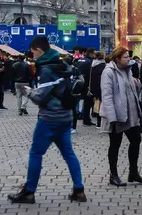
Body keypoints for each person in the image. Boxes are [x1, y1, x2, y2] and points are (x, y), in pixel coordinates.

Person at [8, 37, 86, 204]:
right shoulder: (64, 64)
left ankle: (29, 192)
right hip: (66, 117)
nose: (32, 55)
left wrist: (28, 91)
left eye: (32, 51)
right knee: (69, 154)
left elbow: (41, 97)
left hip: (49, 119)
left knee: (36, 154)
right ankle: (79, 190)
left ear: (39, 49)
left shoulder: (45, 69)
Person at [99, 47, 142, 187]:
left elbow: (131, 91)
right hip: (116, 115)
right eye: (125, 57)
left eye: (128, 56)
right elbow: (107, 96)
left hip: (130, 114)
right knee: (115, 144)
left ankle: (133, 172)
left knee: (136, 140)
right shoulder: (109, 72)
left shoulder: (128, 70)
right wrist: (112, 117)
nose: (129, 59)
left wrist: (136, 83)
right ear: (117, 59)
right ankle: (113, 175)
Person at [77, 48, 95, 126]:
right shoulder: (90, 62)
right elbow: (91, 75)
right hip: (87, 84)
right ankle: (86, 119)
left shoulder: (80, 60)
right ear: (91, 53)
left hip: (79, 83)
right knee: (88, 103)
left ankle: (80, 115)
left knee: (79, 101)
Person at [90, 51, 106, 129]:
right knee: (103, 105)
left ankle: (98, 122)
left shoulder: (93, 65)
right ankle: (102, 123)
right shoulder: (103, 65)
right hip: (102, 88)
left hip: (95, 88)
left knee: (97, 105)